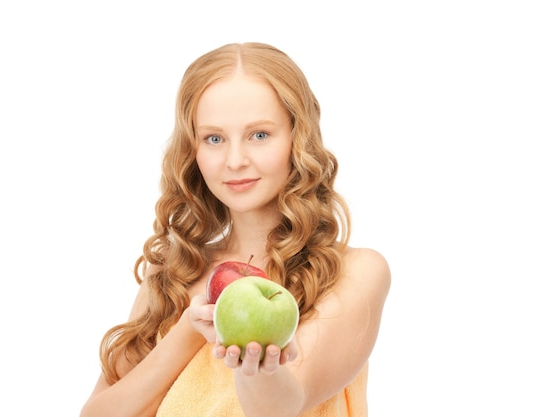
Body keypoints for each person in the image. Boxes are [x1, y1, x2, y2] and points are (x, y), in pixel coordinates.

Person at [80, 42, 391, 417]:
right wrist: (188, 332)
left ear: (298, 138)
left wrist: (256, 368)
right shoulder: (171, 275)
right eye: (214, 138)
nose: (235, 161)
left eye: (259, 135)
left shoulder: (353, 273)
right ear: (192, 150)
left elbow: (285, 405)